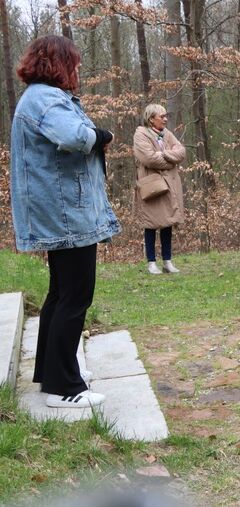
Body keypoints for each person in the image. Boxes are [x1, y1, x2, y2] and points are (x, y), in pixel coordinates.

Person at [11, 35, 121, 408]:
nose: (77, 71)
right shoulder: (45, 98)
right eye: (73, 63)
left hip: (60, 211)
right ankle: (64, 388)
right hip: (65, 214)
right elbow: (74, 136)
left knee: (60, 295)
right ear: (58, 64)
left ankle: (52, 370)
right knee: (75, 296)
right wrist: (99, 135)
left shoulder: (38, 98)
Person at [133, 103, 186, 275]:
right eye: (161, 116)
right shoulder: (141, 134)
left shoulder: (167, 134)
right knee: (151, 223)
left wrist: (163, 155)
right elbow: (149, 159)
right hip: (152, 185)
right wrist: (170, 158)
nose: (165, 119)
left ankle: (167, 261)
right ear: (151, 119)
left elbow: (181, 152)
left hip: (170, 185)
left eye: (165, 116)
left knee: (167, 222)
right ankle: (151, 263)